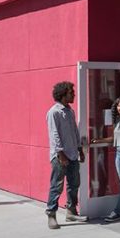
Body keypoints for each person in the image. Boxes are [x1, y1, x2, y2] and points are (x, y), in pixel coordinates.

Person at [46, 81, 86, 230]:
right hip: (60, 156)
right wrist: (60, 153)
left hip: (73, 154)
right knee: (57, 185)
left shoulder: (70, 111)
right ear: (63, 94)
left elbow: (75, 131)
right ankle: (51, 214)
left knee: (74, 184)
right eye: (71, 93)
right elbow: (54, 135)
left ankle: (71, 210)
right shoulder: (54, 112)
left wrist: (80, 149)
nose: (74, 95)